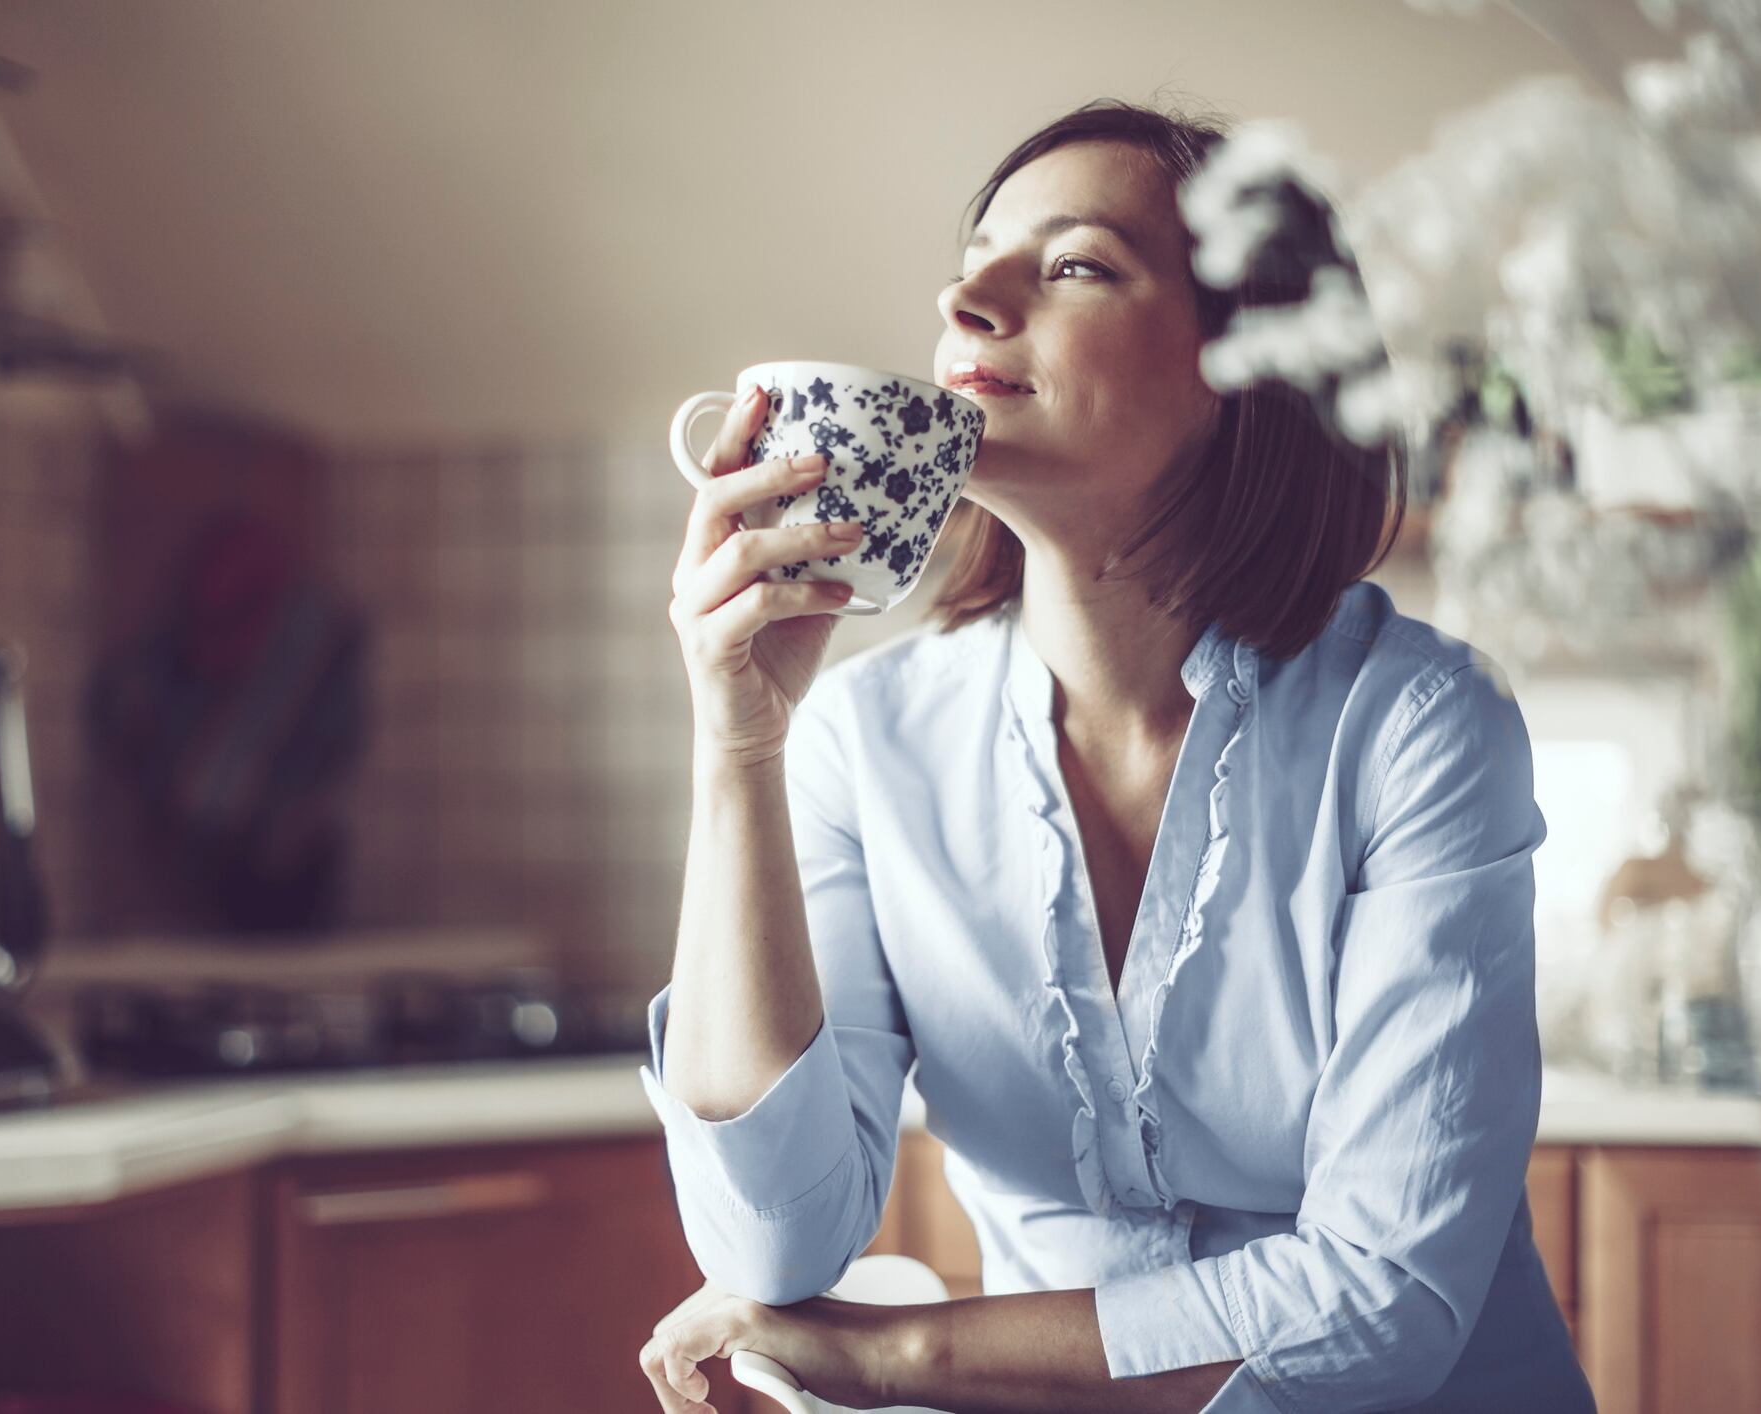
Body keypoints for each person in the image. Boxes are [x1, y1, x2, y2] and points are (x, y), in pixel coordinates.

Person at [637, 98, 1597, 1414]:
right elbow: (770, 1245)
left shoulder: (1418, 724)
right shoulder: (863, 742)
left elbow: (1384, 1306)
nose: (964, 295)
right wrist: (736, 745)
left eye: (1075, 262)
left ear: (1244, 356)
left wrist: (894, 1354)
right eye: (974, 256)